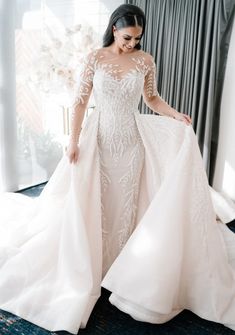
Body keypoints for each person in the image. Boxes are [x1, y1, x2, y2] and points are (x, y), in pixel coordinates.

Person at [0, 3, 235, 335]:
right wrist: (74, 141)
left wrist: (175, 115)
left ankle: (122, 268)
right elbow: (80, 101)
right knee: (96, 203)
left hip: (131, 145)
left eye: (137, 39)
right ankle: (93, 265)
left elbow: (151, 98)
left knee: (125, 205)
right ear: (114, 29)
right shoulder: (96, 58)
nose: (132, 45)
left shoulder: (145, 61)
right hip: (100, 141)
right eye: (127, 38)